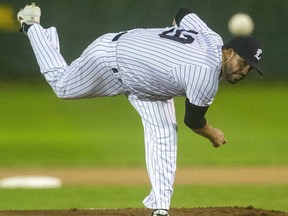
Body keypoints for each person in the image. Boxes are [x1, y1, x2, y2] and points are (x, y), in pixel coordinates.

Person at [17, 3, 263, 216]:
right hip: (111, 58)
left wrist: (171, 50)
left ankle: (159, 207)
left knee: (165, 133)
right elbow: (194, 120)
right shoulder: (205, 75)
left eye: (249, 68)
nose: (244, 71)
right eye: (242, 62)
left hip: (150, 87)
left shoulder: (212, 37)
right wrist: (213, 133)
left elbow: (183, 13)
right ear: (228, 53)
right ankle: (32, 26)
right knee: (62, 86)